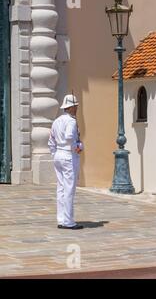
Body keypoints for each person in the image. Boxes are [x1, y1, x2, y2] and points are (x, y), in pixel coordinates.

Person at [48, 94, 84, 230]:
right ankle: (68, 221)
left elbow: (51, 141)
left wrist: (55, 154)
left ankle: (61, 219)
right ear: (72, 107)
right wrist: (78, 146)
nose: (77, 108)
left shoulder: (56, 121)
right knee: (69, 189)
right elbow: (69, 137)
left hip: (58, 155)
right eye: (76, 106)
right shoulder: (71, 121)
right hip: (68, 156)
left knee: (61, 188)